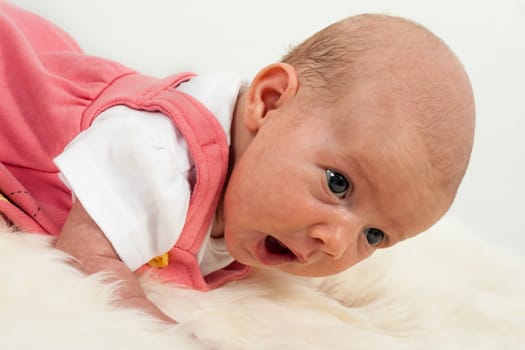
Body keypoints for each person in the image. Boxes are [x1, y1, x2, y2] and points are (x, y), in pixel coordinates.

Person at [0, 2, 475, 323]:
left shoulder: (254, 203)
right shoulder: (163, 152)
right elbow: (86, 256)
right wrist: (159, 330)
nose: (334, 242)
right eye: (338, 184)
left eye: (374, 235)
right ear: (268, 103)